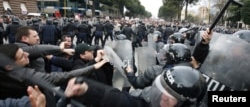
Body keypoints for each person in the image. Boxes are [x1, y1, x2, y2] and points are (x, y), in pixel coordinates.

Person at [0, 44, 108, 107]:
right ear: (9, 66)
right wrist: (94, 66)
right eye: (21, 56)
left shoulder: (8, 59)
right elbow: (61, 76)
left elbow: (35, 50)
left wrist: (60, 49)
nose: (27, 54)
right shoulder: (22, 77)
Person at [64, 66, 207, 107]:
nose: (162, 97)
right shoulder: (149, 101)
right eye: (161, 90)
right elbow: (124, 101)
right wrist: (88, 90)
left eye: (170, 97)